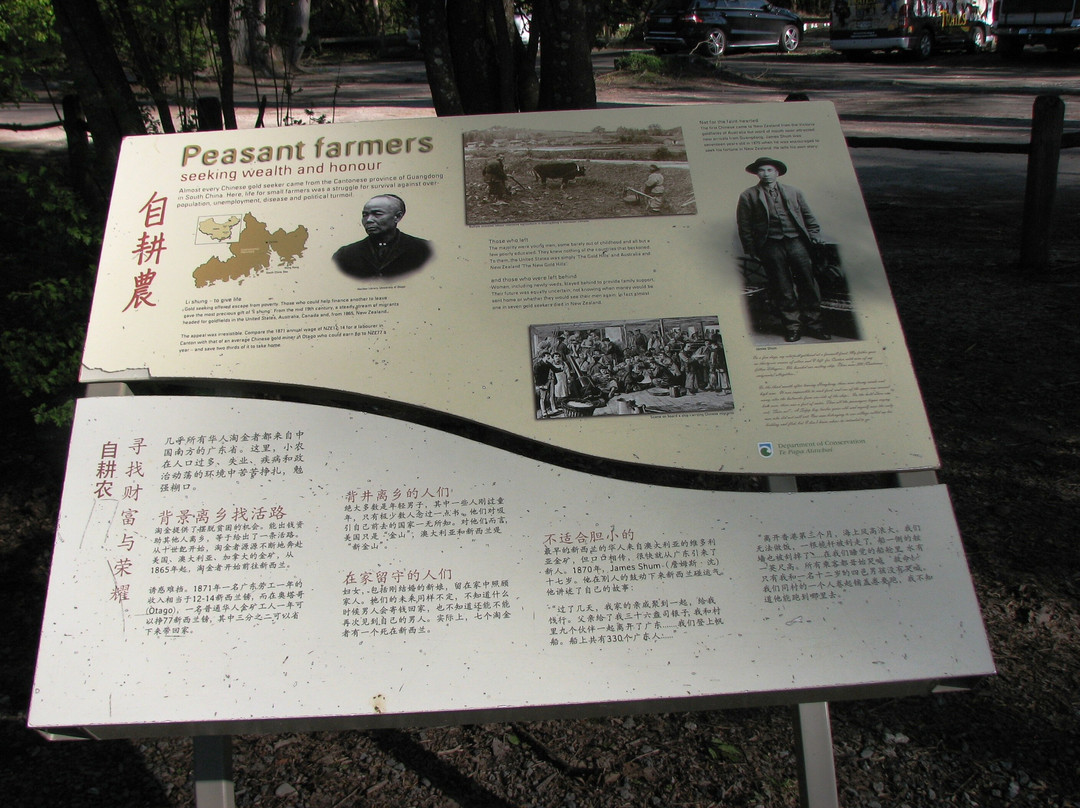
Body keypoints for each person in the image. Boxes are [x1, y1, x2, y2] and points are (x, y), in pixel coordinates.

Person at [736, 157, 830, 342]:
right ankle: (792, 326)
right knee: (782, 286)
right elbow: (744, 225)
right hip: (770, 245)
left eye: (770, 170)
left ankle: (815, 325)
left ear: (777, 172)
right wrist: (751, 249)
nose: (766, 174)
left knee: (807, 283)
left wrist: (815, 234)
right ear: (757, 174)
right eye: (762, 170)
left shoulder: (794, 192)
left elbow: (808, 216)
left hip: (796, 242)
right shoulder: (748, 195)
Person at [333, 194, 432, 279]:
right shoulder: (345, 254)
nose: (369, 220)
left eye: (377, 214)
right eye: (365, 215)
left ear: (397, 217)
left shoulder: (424, 249)